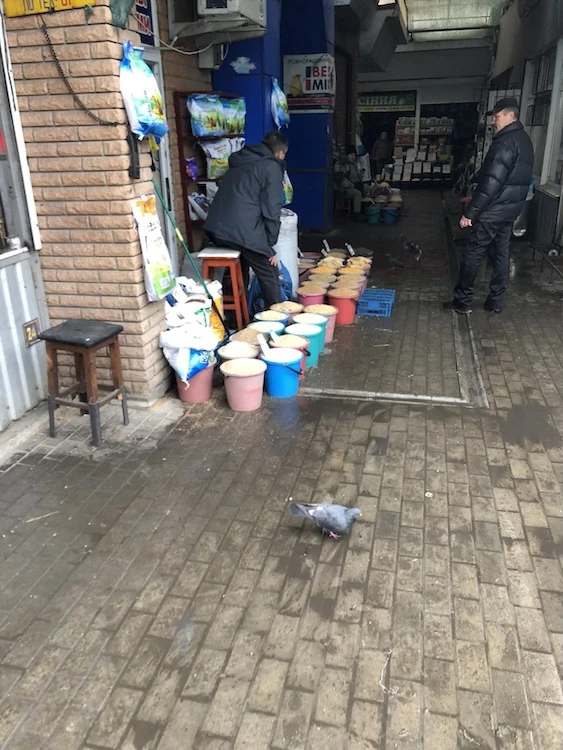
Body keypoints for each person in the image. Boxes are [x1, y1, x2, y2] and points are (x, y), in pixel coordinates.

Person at [443, 97, 533, 314]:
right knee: (501, 254)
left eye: (497, 116)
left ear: (510, 115)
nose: (494, 121)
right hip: (509, 211)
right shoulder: (524, 140)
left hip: (492, 211)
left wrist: (470, 213)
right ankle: (495, 302)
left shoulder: (505, 142)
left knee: (473, 253)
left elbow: (492, 182)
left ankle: (463, 301)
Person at [204, 130, 288, 309]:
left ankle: (237, 316)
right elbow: (272, 209)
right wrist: (269, 246)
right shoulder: (271, 167)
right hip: (239, 230)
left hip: (218, 229)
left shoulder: (241, 160)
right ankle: (277, 317)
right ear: (280, 153)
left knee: (243, 261)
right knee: (269, 271)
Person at [334, 145, 365, 220]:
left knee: (366, 188)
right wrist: (352, 185)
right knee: (357, 193)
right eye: (351, 154)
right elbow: (339, 179)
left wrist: (361, 172)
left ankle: (363, 209)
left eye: (354, 155)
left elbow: (357, 177)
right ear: (347, 155)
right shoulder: (342, 164)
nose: (353, 157)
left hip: (352, 184)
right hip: (342, 188)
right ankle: (356, 213)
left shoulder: (354, 164)